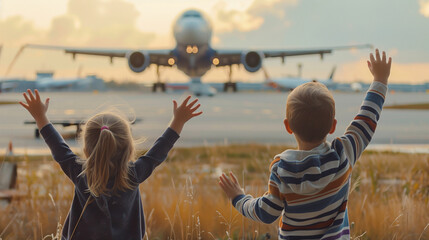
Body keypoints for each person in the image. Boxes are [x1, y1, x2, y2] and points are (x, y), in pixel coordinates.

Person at [219, 49, 391, 239]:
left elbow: (266, 213)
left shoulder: (282, 170)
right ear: (333, 126)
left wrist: (238, 198)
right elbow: (367, 118)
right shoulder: (344, 154)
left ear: (288, 126)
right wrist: (380, 80)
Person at [19, 92, 202, 240]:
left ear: (87, 148)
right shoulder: (133, 175)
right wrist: (178, 121)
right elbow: (159, 150)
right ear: (129, 147)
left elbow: (58, 148)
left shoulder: (81, 174)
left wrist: (40, 116)